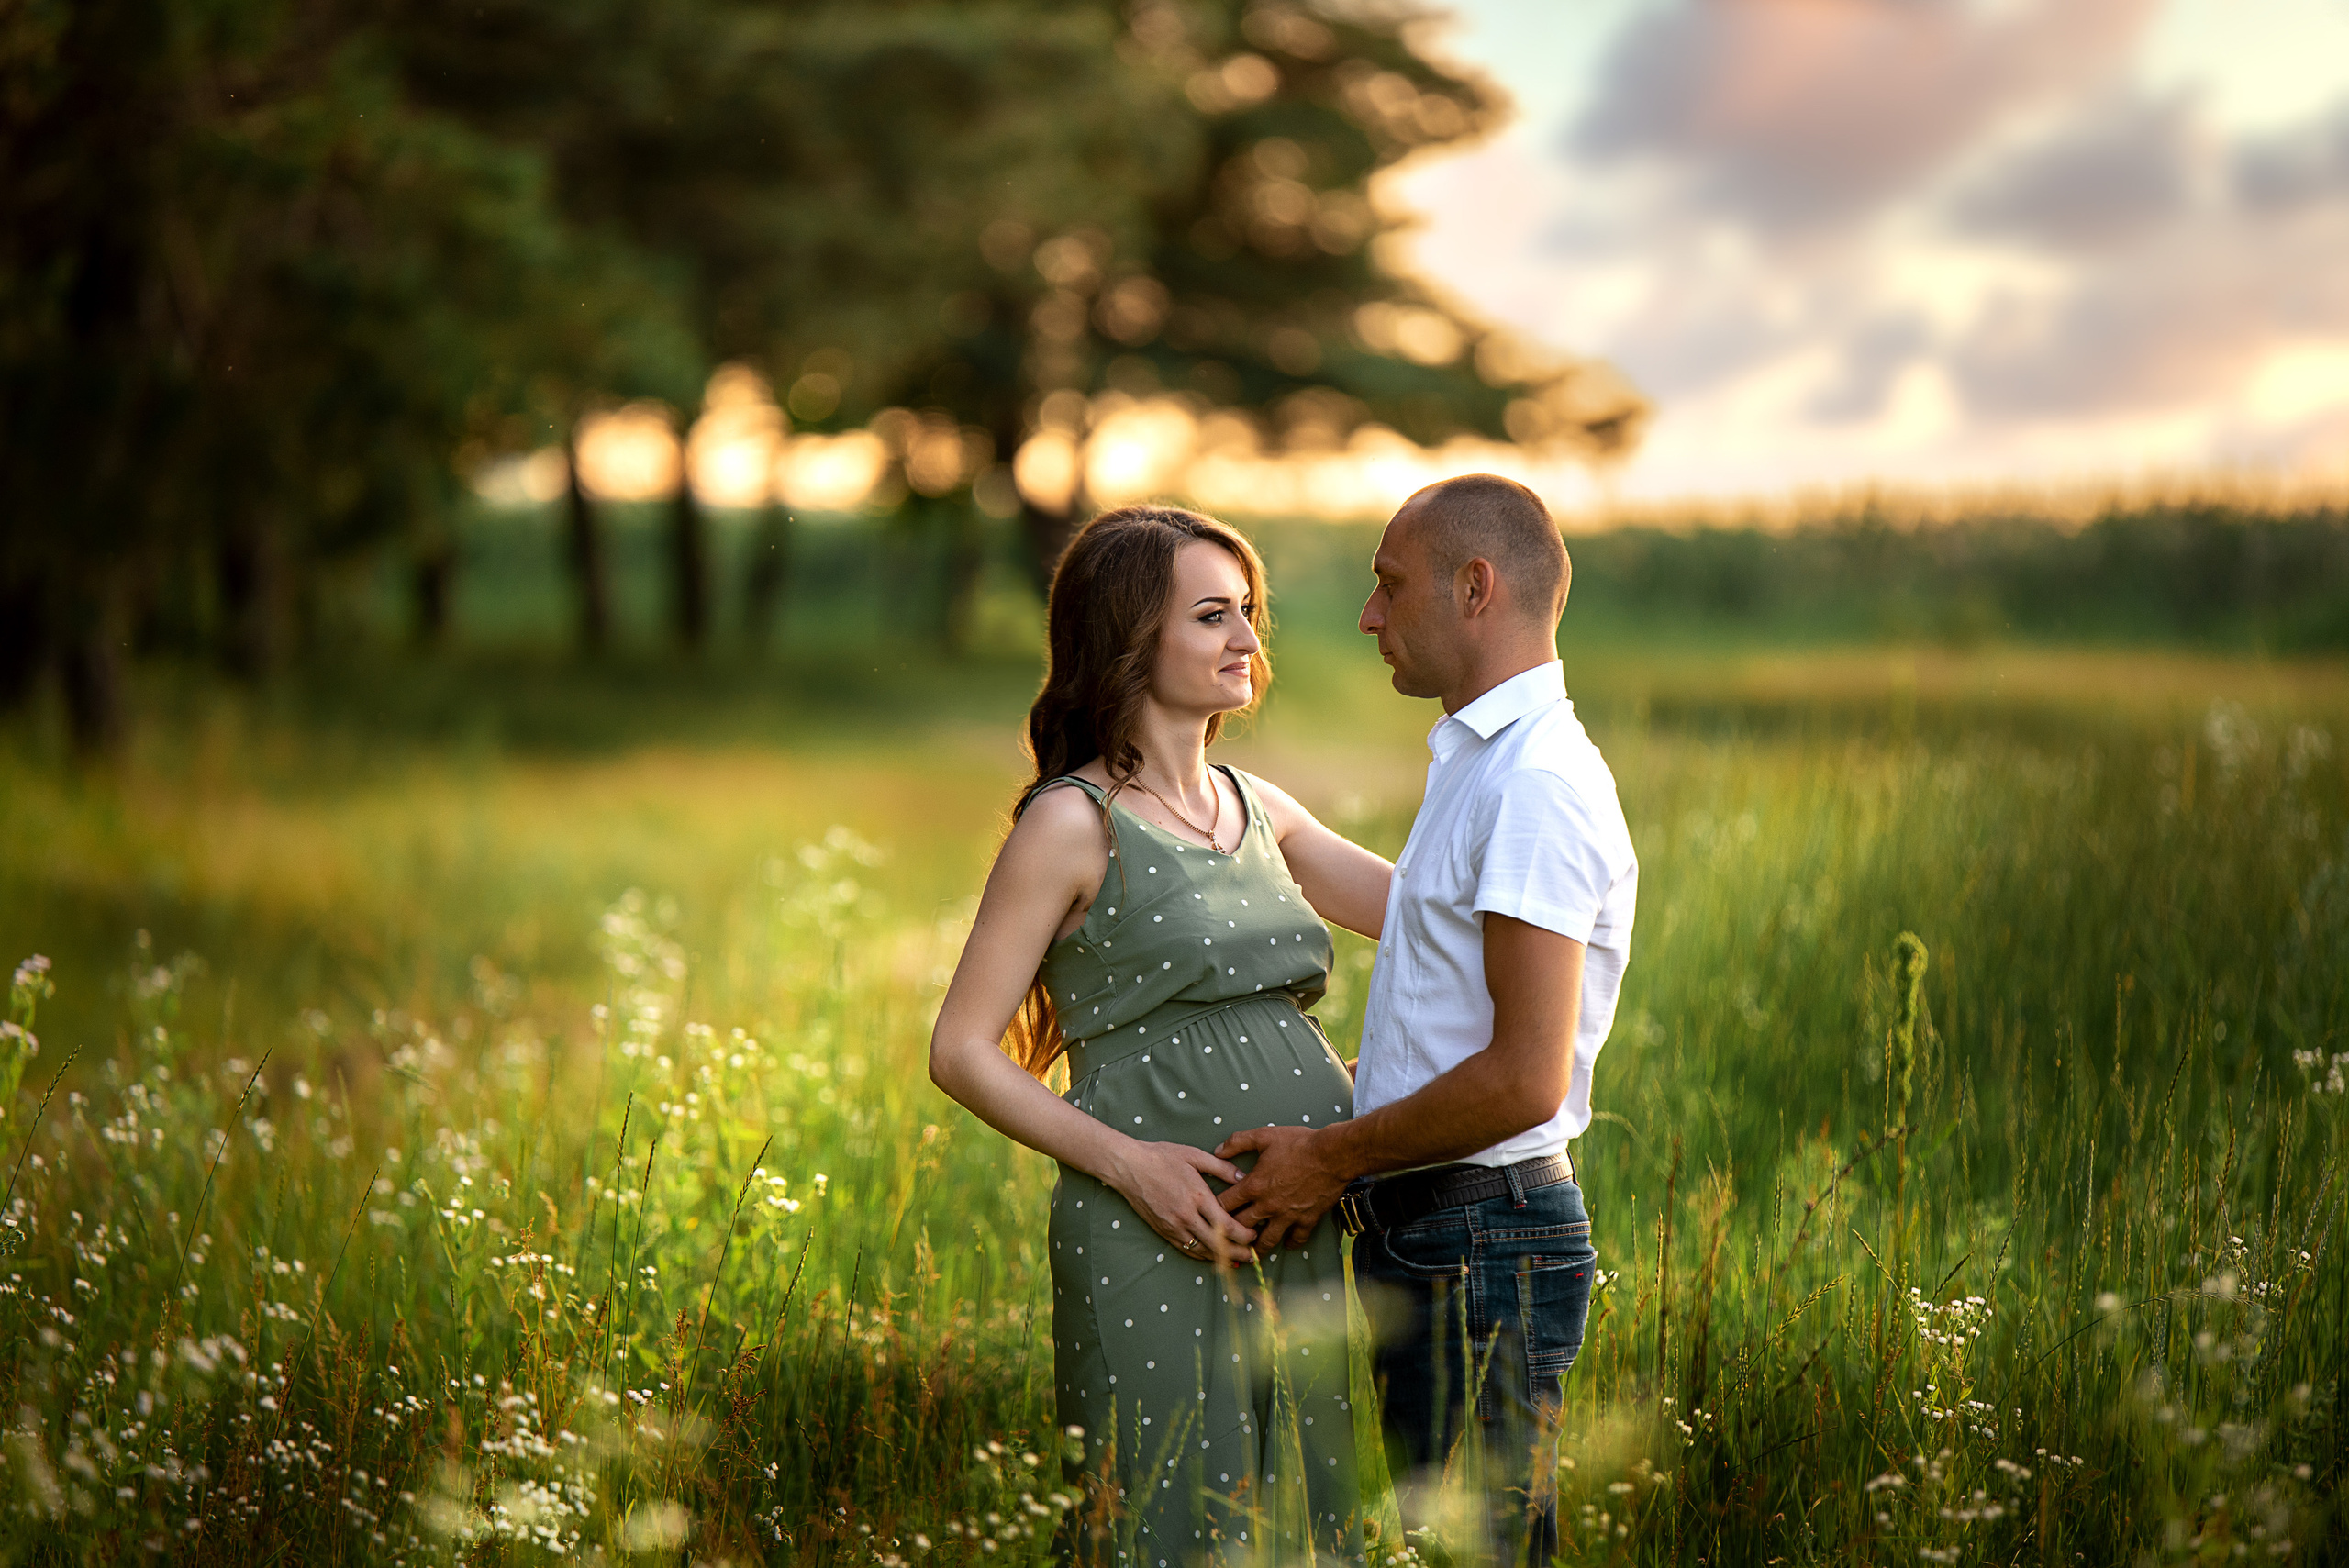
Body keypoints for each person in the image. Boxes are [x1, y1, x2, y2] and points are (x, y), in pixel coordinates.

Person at [928, 504, 1392, 1566]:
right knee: (1163, 1512)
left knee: (1301, 1515)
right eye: (1214, 615)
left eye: (1250, 615)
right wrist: (1132, 1167)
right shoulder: (1071, 821)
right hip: (1150, 1223)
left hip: (1296, 1212)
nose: (1247, 641)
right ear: (1131, 638)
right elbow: (958, 1049)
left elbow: (1440, 920)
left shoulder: (1258, 805)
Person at [1214, 473, 1638, 1566]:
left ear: (1475, 586)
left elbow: (1520, 1079)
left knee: (1475, 1551)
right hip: (1449, 1235)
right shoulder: (1482, 760)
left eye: (1387, 585)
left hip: (1483, 1242)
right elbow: (1433, 965)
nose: (1367, 616)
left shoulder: (1535, 782)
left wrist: (1330, 1156)